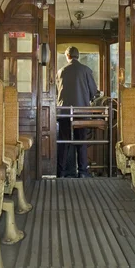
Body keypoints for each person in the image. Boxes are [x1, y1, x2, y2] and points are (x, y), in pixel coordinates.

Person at [56, 46, 98, 178]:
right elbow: (93, 92)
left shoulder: (61, 71)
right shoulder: (86, 70)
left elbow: (58, 92)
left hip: (65, 112)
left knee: (64, 142)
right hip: (82, 112)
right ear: (78, 56)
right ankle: (83, 172)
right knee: (81, 142)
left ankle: (61, 173)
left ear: (67, 56)